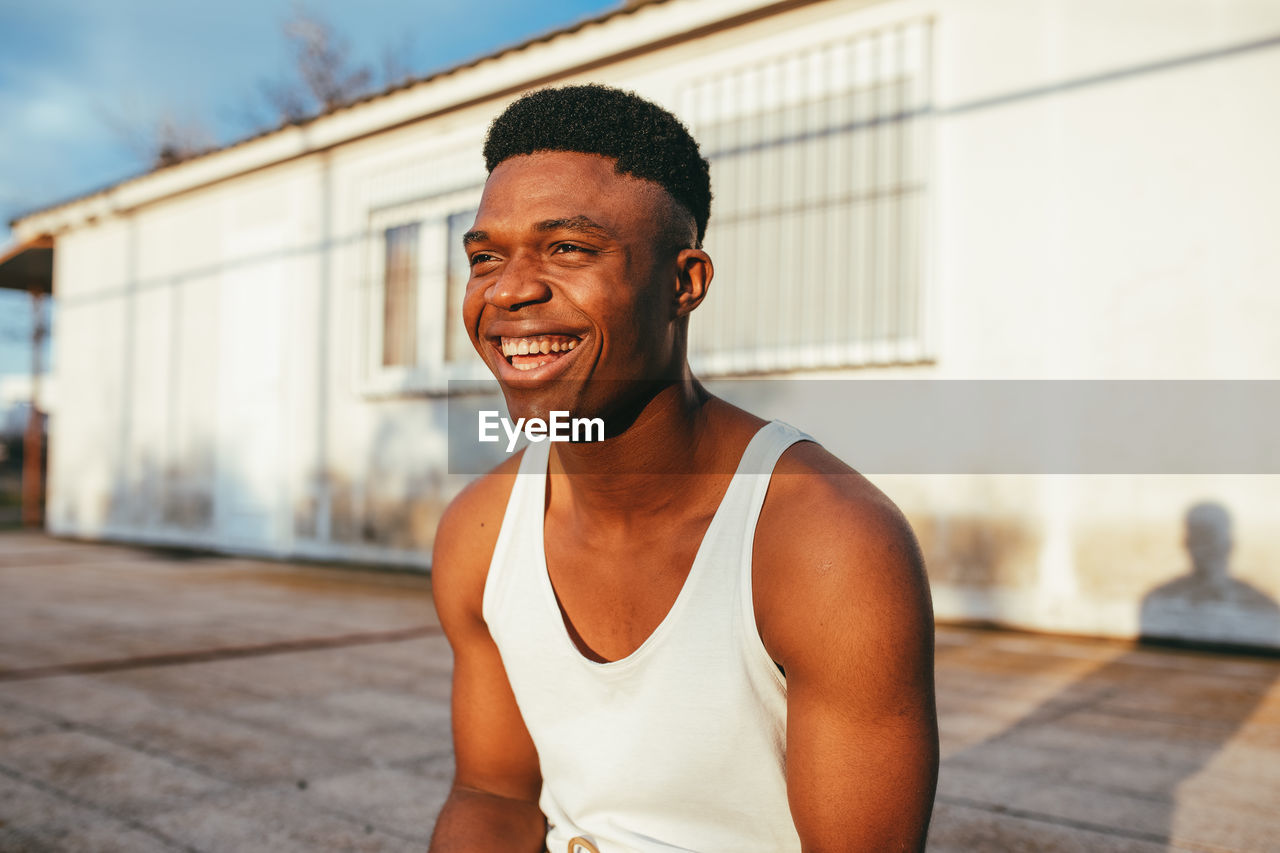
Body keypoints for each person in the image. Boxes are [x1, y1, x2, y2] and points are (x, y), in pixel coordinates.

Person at [428, 84, 938, 852]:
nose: (509, 289)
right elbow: (492, 795)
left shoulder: (829, 543)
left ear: (684, 283)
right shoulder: (479, 530)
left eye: (567, 248)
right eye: (485, 257)